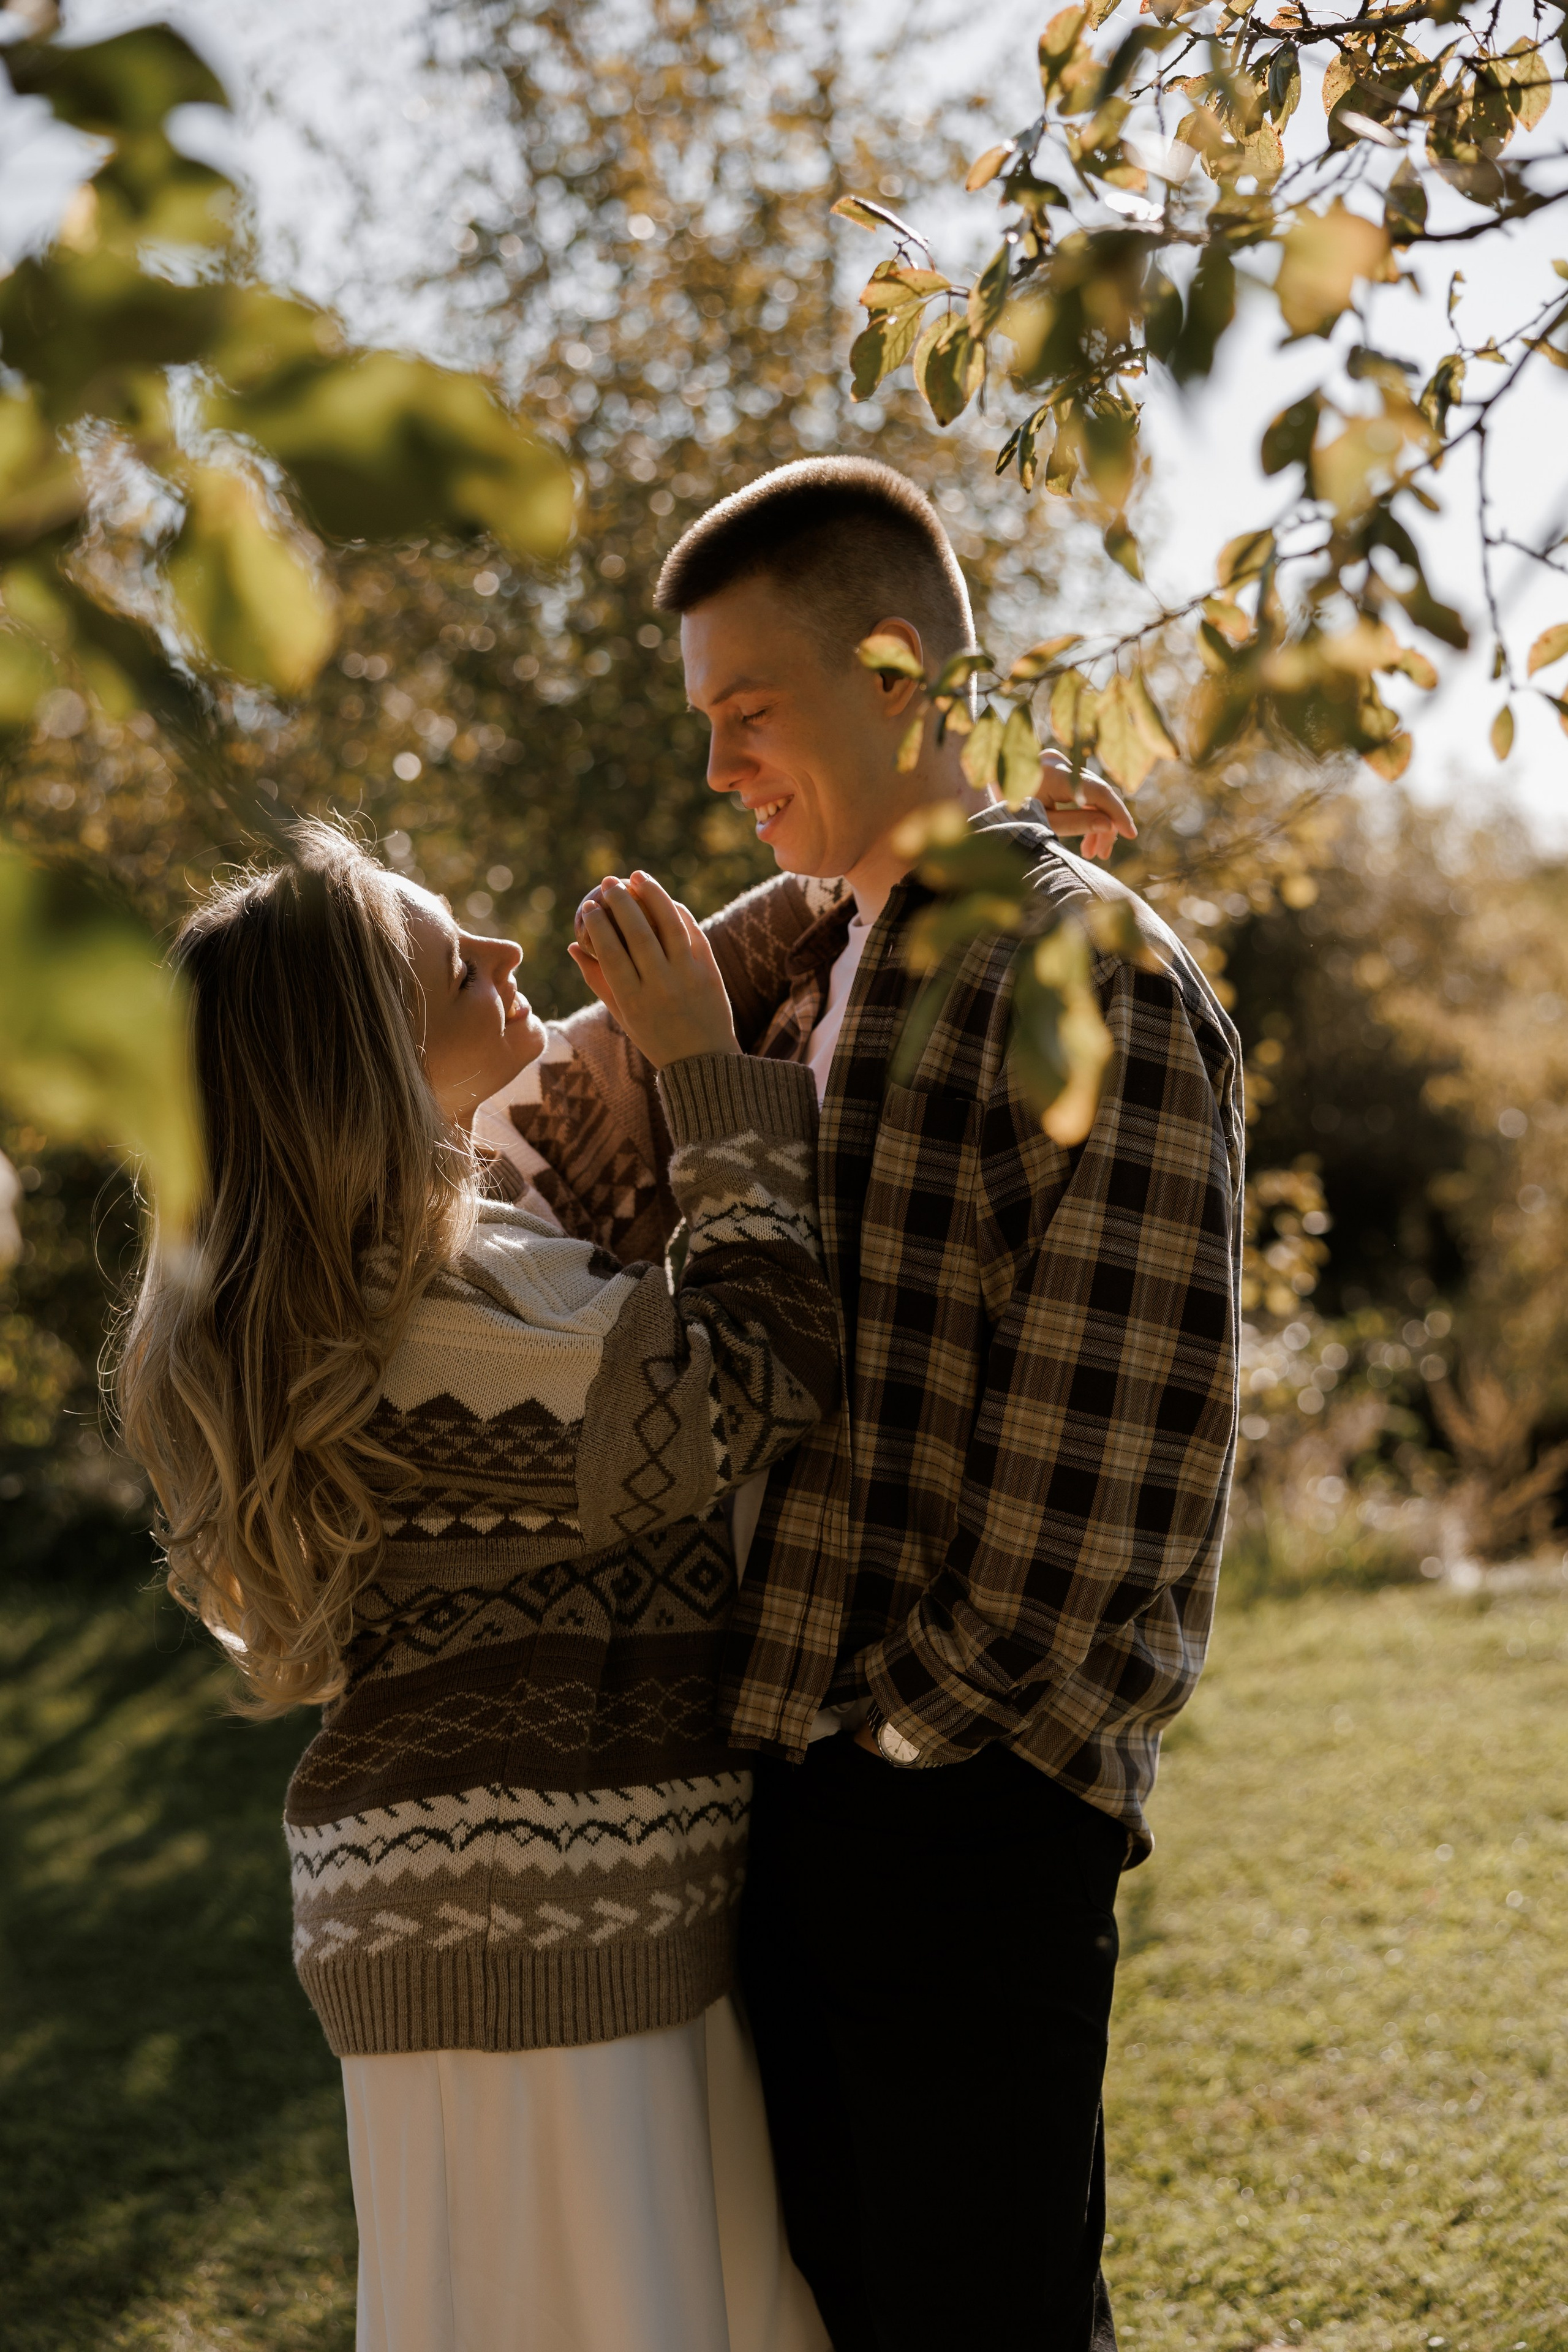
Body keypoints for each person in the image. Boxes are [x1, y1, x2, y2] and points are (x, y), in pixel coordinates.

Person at [483, 456, 1244, 2352]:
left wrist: (905, 1751)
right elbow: (529, 1158)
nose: (719, 764)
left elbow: (1109, 1485)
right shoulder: (822, 964)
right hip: (791, 1788)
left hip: (959, 1820)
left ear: (898, 672)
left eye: (749, 712)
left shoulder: (1092, 975)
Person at [116, 822, 837, 2352]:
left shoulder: (431, 1260)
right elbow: (755, 1379)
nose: (510, 956)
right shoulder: (430, 1325)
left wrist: (919, 857)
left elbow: (611, 1046)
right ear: (367, 1061)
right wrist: (708, 1076)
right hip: (531, 1948)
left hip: (552, 1921)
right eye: (458, 964)